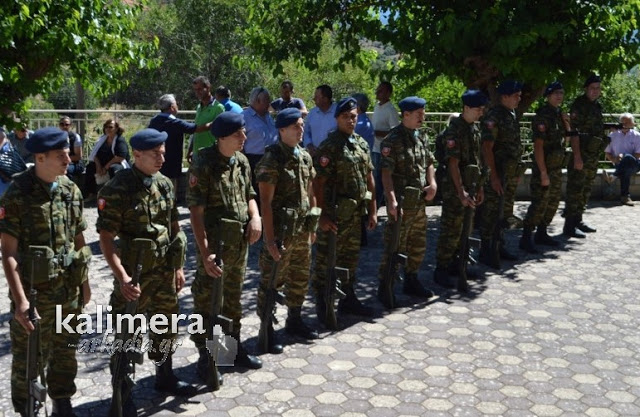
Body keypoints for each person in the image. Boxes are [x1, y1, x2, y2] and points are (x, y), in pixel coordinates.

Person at [97, 129, 196, 412]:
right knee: (127, 336)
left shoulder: (165, 184)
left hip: (163, 273)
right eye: (156, 153)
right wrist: (123, 278)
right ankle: (123, 392)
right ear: (137, 154)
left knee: (166, 328)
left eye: (163, 152)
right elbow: (106, 239)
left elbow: (174, 228)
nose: (162, 158)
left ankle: (165, 377)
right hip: (134, 278)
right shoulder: (117, 189)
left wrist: (177, 267)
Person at [1, 127, 92, 417]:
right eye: (60, 154)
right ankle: (28, 409)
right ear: (40, 157)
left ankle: (62, 403)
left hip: (68, 292)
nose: (69, 158)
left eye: (67, 151)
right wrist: (21, 301)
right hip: (35, 297)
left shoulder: (71, 189)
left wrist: (85, 284)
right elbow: (8, 252)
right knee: (29, 360)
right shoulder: (18, 193)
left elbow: (79, 239)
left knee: (66, 350)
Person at [188, 112, 264, 377]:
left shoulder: (242, 161)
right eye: (237, 134)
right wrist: (205, 251)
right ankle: (204, 356)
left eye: (243, 132)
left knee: (232, 300)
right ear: (221, 138)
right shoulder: (204, 163)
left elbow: (250, 195)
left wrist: (255, 217)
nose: (244, 137)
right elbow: (195, 211)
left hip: (238, 245)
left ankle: (231, 350)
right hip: (215, 247)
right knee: (207, 302)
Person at [255, 108, 319, 353]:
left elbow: (311, 194)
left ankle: (295, 319)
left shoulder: (304, 156)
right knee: (272, 280)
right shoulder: (272, 158)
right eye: (295, 126)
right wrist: (270, 240)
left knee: (300, 277)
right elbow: (266, 203)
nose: (300, 129)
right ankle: (267, 327)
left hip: (302, 231)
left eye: (301, 125)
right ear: (281, 130)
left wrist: (312, 228)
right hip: (281, 233)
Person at [312, 97, 377, 323]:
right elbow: (317, 183)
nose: (351, 121)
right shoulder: (329, 146)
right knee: (326, 260)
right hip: (335, 215)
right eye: (346, 117)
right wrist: (321, 214)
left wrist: (373, 209)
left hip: (355, 214)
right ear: (337, 118)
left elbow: (370, 177)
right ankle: (323, 302)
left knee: (350, 259)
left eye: (354, 117)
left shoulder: (360, 143)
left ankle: (348, 299)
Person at [377, 96, 437, 304]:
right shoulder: (392, 140)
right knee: (394, 246)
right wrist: (391, 200)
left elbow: (429, 161)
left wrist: (433, 182)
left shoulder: (421, 136)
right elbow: (385, 173)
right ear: (407, 115)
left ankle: (412, 279)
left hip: (418, 202)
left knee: (418, 244)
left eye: (423, 113)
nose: (423, 117)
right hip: (401, 204)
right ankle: (386, 286)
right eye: (418, 114)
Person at [432, 90, 488, 288]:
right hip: (455, 189)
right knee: (451, 228)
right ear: (466, 108)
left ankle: (458, 263)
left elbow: (477, 160)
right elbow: (453, 164)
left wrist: (479, 187)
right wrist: (460, 191)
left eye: (483, 108)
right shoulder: (454, 131)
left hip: (471, 185)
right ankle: (442, 268)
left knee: (466, 226)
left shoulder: (473, 128)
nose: (481, 112)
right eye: (478, 109)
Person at [519, 82, 569, 252]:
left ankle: (542, 233)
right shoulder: (543, 116)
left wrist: (566, 122)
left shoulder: (558, 115)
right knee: (539, 203)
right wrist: (542, 172)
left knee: (553, 202)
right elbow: (538, 146)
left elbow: (565, 140)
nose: (559, 96)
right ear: (548, 95)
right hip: (545, 168)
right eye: (555, 93)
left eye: (561, 93)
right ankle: (526, 237)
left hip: (555, 168)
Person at [479, 80, 523, 269]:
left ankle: (499, 245)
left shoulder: (511, 114)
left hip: (509, 174)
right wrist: (493, 176)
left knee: (504, 211)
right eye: (515, 96)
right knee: (492, 212)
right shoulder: (494, 116)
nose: (519, 99)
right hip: (498, 174)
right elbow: (487, 147)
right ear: (504, 96)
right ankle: (487, 250)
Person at [564, 74, 605, 237]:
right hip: (580, 155)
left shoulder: (596, 106)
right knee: (575, 189)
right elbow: (574, 132)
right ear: (586, 89)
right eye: (592, 88)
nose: (595, 91)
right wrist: (577, 157)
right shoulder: (579, 106)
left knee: (585, 189)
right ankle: (569, 225)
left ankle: (578, 220)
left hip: (592, 156)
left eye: (598, 88)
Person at [148, 94, 209, 196]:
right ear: (172, 107)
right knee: (171, 188)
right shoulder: (175, 122)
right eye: (176, 104)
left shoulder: (154, 121)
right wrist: (215, 123)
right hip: (172, 162)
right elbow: (196, 128)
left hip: (155, 159)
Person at [242, 87, 278, 206]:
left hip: (272, 159)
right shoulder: (244, 117)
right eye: (267, 100)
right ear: (257, 101)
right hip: (254, 161)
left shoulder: (268, 116)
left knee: (271, 195)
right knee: (256, 194)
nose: (269, 103)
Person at [371, 82, 401, 208]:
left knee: (379, 181)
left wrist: (378, 133)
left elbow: (395, 132)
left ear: (388, 93)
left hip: (383, 151)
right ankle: (373, 205)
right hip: (374, 148)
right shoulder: (377, 106)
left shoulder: (391, 110)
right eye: (377, 89)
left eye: (381, 90)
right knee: (373, 179)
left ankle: (376, 207)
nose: (377, 92)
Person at [84, 119, 130, 199]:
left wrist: (105, 167)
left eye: (110, 127)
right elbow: (94, 154)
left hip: (117, 163)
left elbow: (120, 157)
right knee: (90, 167)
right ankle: (91, 193)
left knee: (114, 169)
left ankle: (114, 195)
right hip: (102, 163)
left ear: (116, 129)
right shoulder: (102, 139)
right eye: (106, 127)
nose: (108, 129)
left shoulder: (120, 140)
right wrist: (98, 166)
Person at [605, 113, 640, 206]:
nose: (624, 125)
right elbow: (607, 153)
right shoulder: (613, 135)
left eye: (628, 122)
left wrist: (624, 156)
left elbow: (638, 154)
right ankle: (625, 197)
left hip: (635, 163)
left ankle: (614, 176)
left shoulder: (637, 135)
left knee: (627, 157)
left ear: (633, 124)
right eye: (623, 122)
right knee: (625, 170)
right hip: (619, 164)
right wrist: (614, 159)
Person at [188, 76, 225, 161]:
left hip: (210, 155)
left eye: (200, 89)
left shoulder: (218, 108)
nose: (197, 92)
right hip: (197, 154)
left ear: (208, 88)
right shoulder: (198, 107)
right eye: (195, 90)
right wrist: (190, 150)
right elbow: (195, 131)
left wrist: (196, 128)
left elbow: (217, 128)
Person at [303, 84, 337, 156]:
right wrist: (309, 145)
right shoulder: (312, 113)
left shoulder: (339, 113)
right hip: (315, 156)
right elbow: (306, 132)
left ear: (325, 99)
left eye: (316, 97)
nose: (314, 99)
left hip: (335, 156)